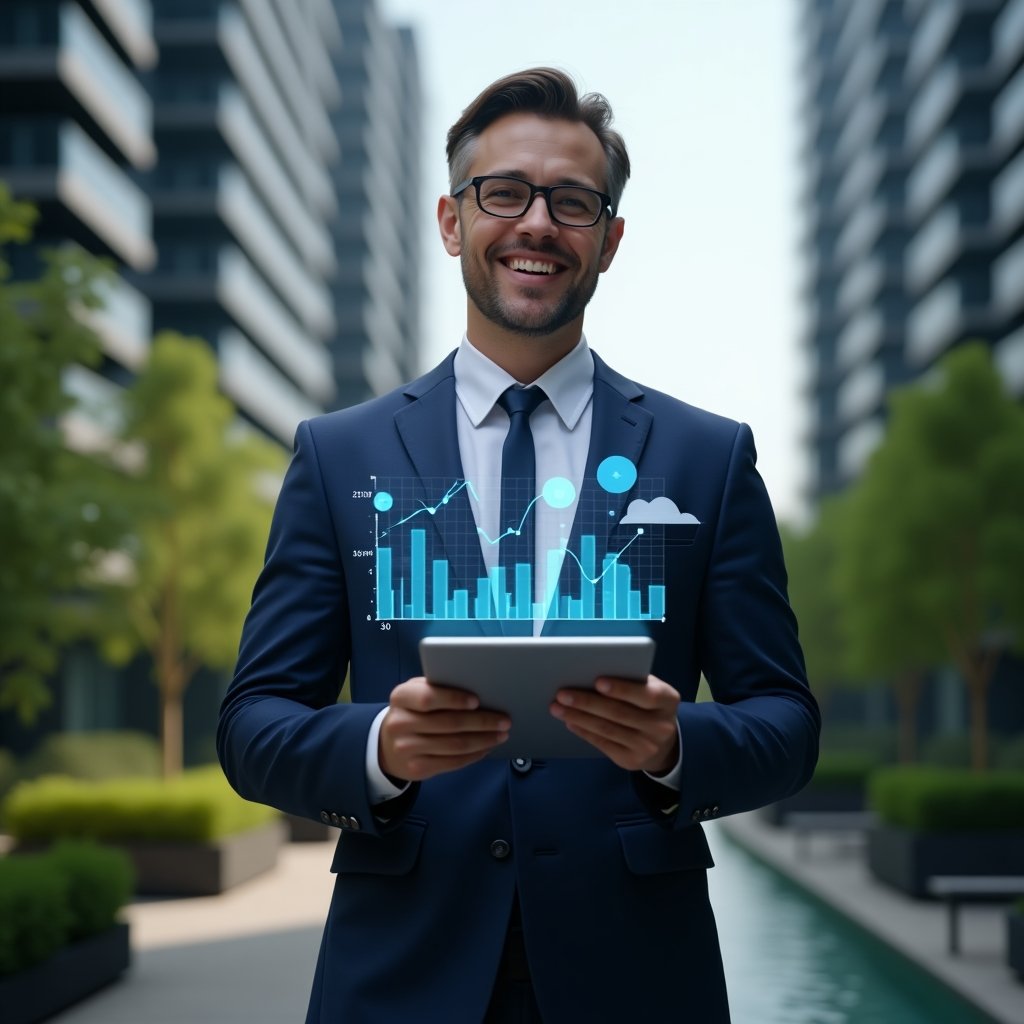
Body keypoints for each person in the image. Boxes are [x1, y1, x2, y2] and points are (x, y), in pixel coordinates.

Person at [218, 67, 819, 1023]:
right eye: (505, 192)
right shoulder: (339, 456)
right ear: (454, 222)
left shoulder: (710, 458)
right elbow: (253, 728)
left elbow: (786, 727)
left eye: (572, 202)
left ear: (609, 240)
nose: (537, 222)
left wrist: (673, 746)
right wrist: (381, 746)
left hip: (636, 978)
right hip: (401, 973)